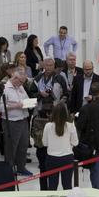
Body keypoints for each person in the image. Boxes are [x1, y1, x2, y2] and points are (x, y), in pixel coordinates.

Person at [34, 58, 69, 189]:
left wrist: (59, 103)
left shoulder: (60, 78)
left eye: (51, 65)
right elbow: (31, 93)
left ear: (54, 66)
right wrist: (39, 93)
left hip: (56, 117)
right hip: (40, 118)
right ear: (43, 65)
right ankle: (44, 189)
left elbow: (66, 95)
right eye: (46, 64)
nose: (48, 67)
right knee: (42, 149)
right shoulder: (38, 78)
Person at [42, 102, 78, 197]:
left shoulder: (48, 126)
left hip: (52, 159)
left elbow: (44, 143)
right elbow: (75, 142)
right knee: (67, 185)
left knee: (52, 185)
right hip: (67, 158)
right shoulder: (71, 126)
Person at [2, 68, 34, 177]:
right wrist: (16, 105)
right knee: (11, 147)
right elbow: (1, 108)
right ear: (15, 78)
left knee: (23, 145)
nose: (21, 84)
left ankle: (21, 167)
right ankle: (9, 169)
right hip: (12, 121)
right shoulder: (5, 88)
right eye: (20, 81)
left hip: (23, 119)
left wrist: (28, 103)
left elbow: (26, 99)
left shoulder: (20, 87)